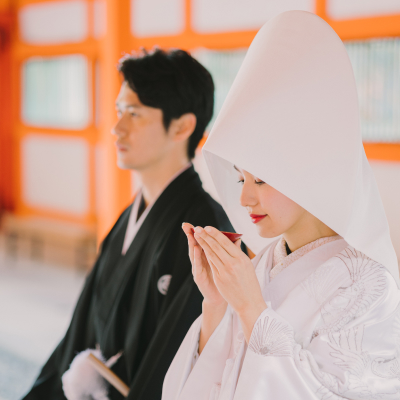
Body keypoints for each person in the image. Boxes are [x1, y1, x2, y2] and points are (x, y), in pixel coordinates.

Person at [162, 11, 400, 400]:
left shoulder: (372, 287)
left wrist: (253, 309)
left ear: (311, 174)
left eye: (262, 180)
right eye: (242, 178)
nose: (244, 198)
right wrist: (217, 302)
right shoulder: (260, 264)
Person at [23, 48, 236, 400]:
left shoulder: (206, 230)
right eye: (120, 110)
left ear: (182, 125)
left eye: (134, 113)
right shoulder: (130, 216)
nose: (116, 127)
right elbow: (81, 329)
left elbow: (177, 364)